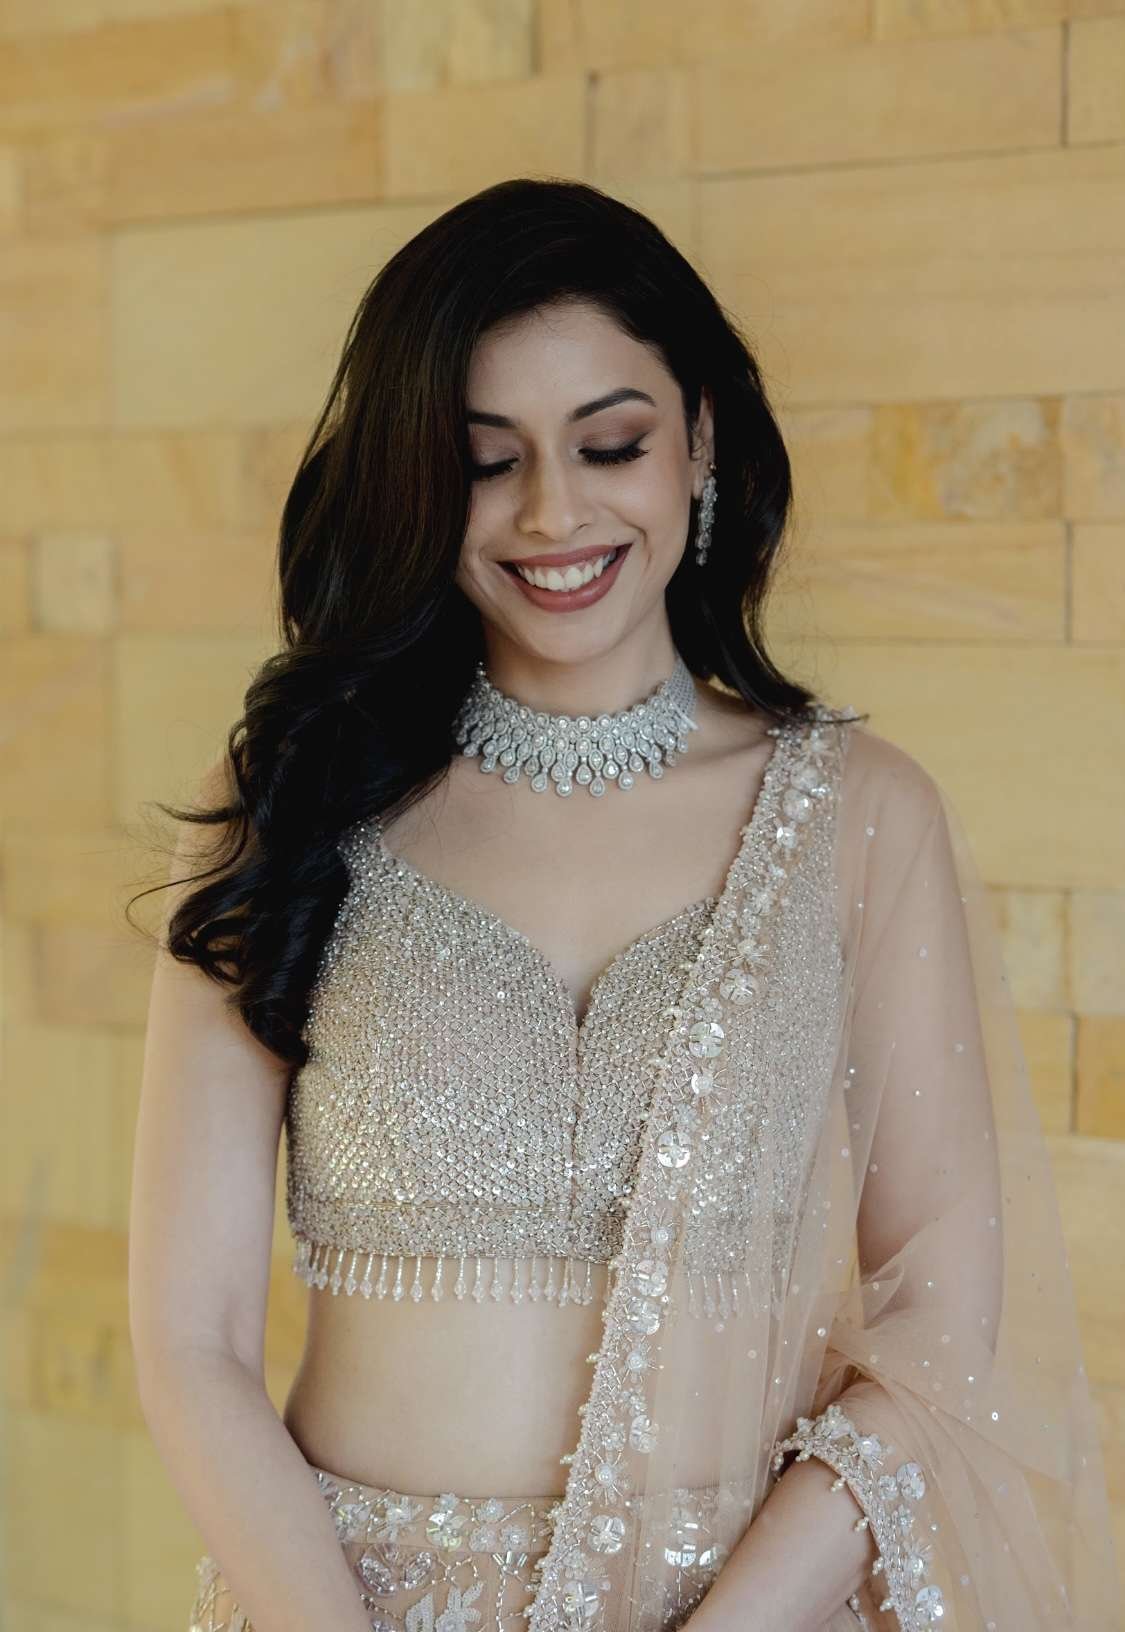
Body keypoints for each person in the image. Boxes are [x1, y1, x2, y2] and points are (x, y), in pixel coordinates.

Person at [126, 178, 1120, 1632]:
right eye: (486, 461)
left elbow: (938, 1324)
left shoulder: (857, 818)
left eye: (611, 444)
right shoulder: (294, 806)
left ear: (699, 437)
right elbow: (192, 1339)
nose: (554, 511)